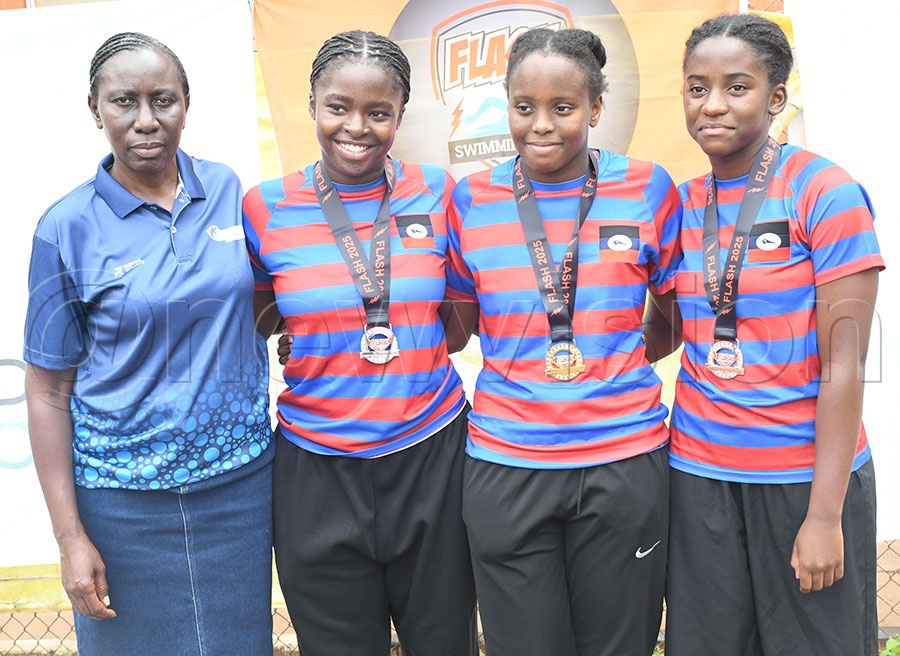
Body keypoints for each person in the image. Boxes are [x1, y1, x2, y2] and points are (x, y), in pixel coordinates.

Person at [23, 32, 274, 655]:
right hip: (122, 506)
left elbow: (254, 306)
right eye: (123, 102)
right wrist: (69, 537)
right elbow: (48, 389)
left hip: (238, 490)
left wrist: (297, 328)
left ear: (187, 102)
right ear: (94, 108)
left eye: (163, 100)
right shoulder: (65, 227)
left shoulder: (224, 188)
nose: (145, 121)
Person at [645, 13, 883, 656]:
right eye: (697, 88)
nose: (712, 105)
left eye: (736, 86)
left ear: (776, 98)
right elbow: (664, 333)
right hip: (699, 475)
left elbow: (845, 365)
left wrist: (825, 516)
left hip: (803, 481)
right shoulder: (678, 203)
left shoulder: (825, 192)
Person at [445, 27, 682, 656]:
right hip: (507, 460)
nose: (540, 125)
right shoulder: (470, 199)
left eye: (563, 108)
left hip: (623, 457)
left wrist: (617, 362)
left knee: (619, 645)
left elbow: (677, 309)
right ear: (507, 105)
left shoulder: (648, 188)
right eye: (524, 108)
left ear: (597, 108)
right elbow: (460, 320)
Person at [242, 30, 478, 656]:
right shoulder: (263, 207)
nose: (357, 126)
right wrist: (305, 338)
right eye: (338, 107)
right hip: (316, 470)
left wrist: (409, 346)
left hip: (433, 455)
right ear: (312, 104)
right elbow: (264, 309)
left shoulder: (440, 192)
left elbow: (458, 316)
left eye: (378, 112)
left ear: (401, 113)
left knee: (445, 642)